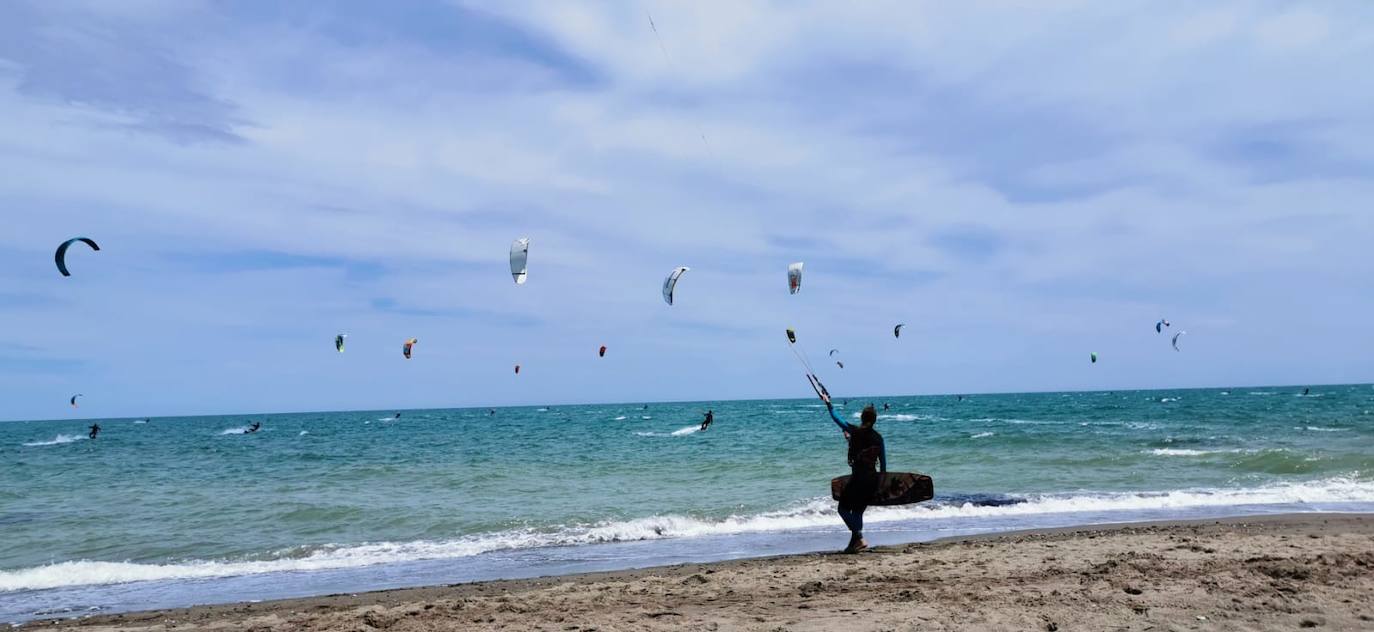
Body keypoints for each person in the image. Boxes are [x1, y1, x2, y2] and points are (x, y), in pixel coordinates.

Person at [822, 395, 886, 554]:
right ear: (875, 420)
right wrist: (881, 485)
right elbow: (883, 465)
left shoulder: (855, 432)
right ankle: (854, 544)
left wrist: (828, 403)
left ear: (862, 418)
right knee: (857, 512)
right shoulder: (879, 438)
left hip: (858, 480)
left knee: (842, 509)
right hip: (872, 481)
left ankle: (859, 537)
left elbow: (837, 418)